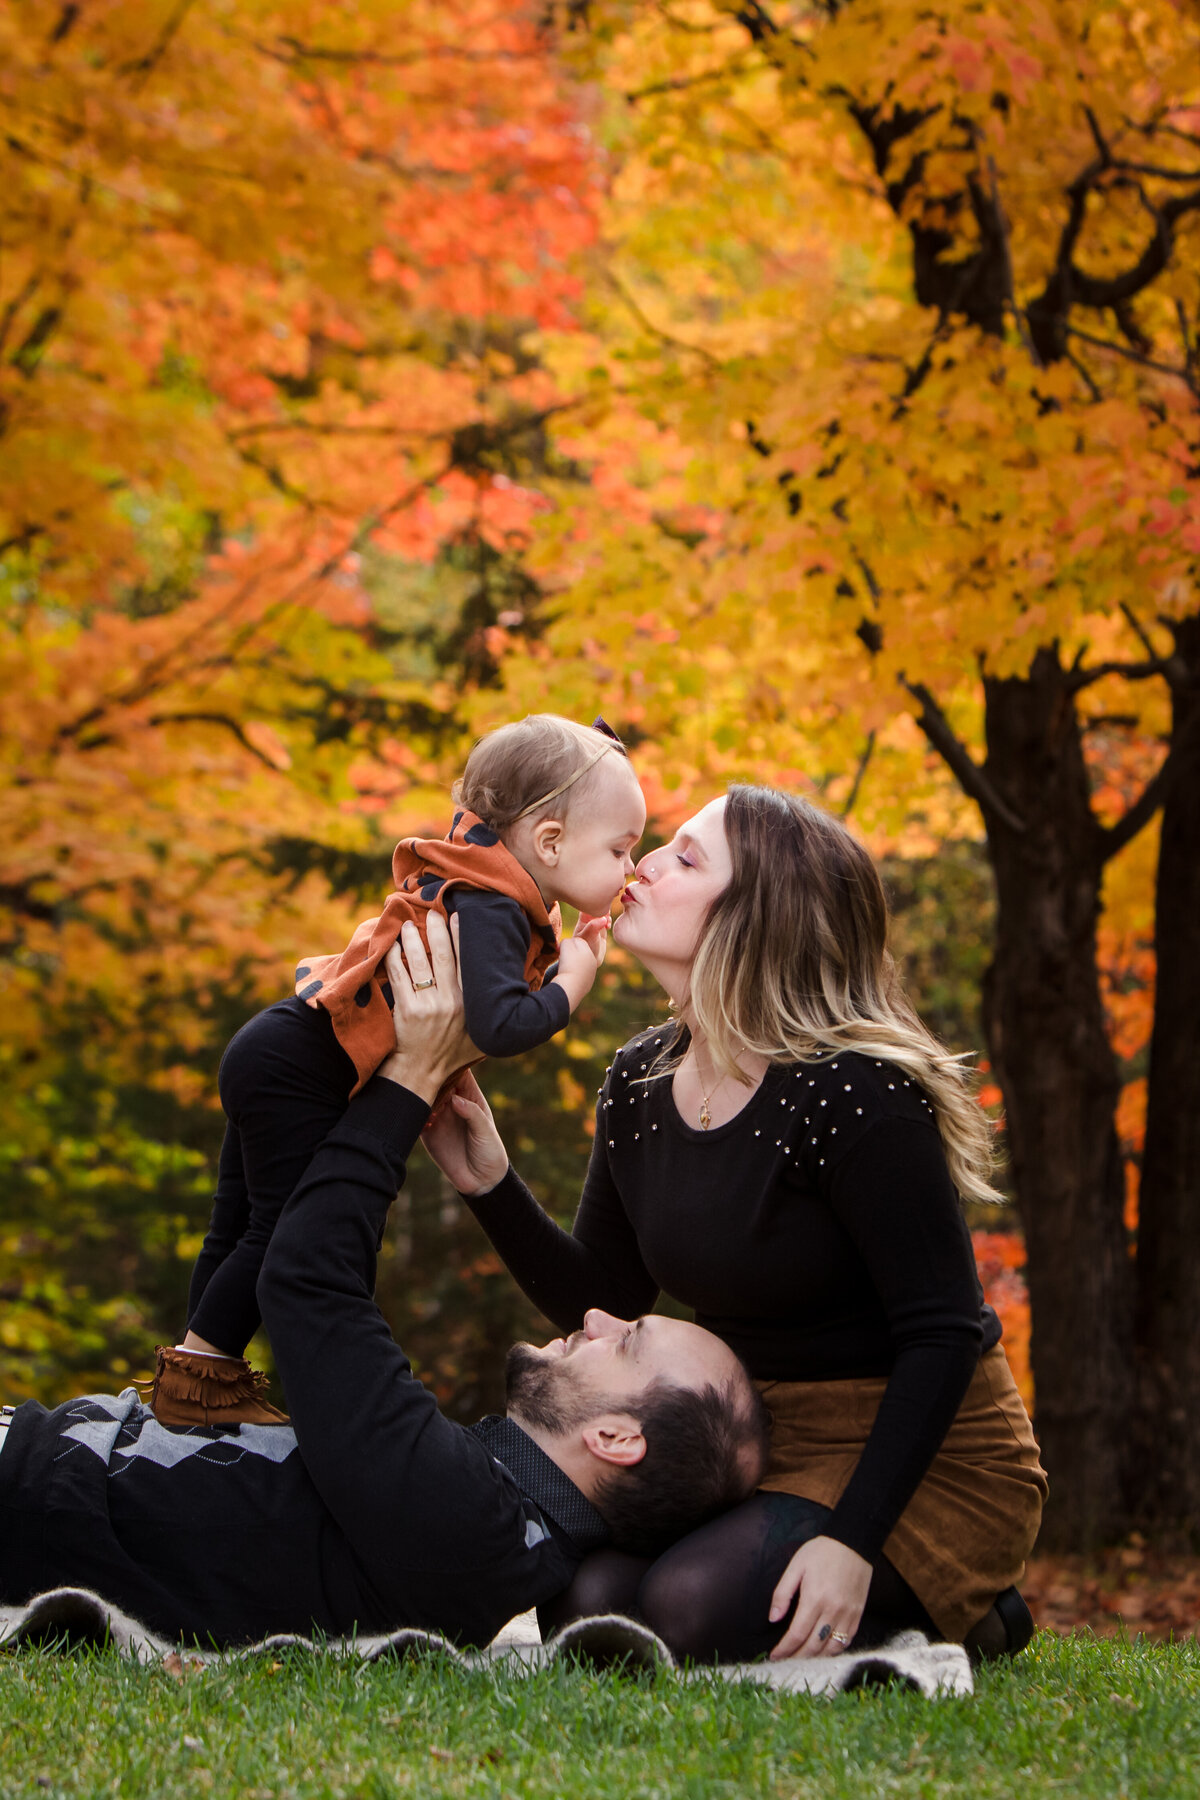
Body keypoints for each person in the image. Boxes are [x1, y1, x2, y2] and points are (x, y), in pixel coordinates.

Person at [0, 917, 768, 1651]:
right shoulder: (490, 1519)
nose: (600, 1317)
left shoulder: (465, 1521)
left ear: (616, 1439)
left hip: (27, 1488)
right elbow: (286, 1243)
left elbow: (305, 1281)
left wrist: (408, 1079)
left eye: (629, 1339)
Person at [422, 785, 1049, 1663]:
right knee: (587, 1602)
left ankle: (973, 1608)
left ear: (756, 918)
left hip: (928, 1453)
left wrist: (856, 1539)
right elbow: (605, 1294)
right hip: (745, 1438)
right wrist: (489, 1181)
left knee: (688, 1607)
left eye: (685, 858)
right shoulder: (640, 1078)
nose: (642, 866)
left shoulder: (857, 1093)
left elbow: (941, 1333)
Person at [152, 714, 646, 1427]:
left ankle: (193, 1372)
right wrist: (571, 983)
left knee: (238, 1225)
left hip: (279, 1044)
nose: (630, 868)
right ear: (550, 841)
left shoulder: (478, 880)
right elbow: (496, 1025)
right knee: (276, 1230)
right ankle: (200, 1386)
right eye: (621, 850)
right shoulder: (496, 906)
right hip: (301, 1068)